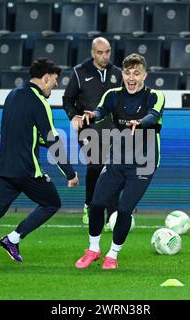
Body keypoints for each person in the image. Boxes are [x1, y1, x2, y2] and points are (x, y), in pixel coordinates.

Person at [0, 59, 79, 266]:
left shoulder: (12, 95)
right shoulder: (40, 102)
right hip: (25, 170)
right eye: (55, 80)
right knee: (51, 203)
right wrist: (69, 172)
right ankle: (12, 239)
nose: (56, 85)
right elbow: (51, 139)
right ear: (46, 77)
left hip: (4, 167)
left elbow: (25, 132)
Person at [73, 53, 164, 269]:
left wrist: (140, 123)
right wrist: (90, 116)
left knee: (124, 211)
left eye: (136, 73)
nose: (131, 78)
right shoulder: (113, 95)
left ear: (144, 75)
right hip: (116, 160)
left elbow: (153, 115)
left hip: (144, 164)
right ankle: (93, 249)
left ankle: (112, 255)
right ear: (122, 74)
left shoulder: (155, 96)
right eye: (127, 73)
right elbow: (100, 111)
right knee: (96, 204)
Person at [63, 37, 122, 226]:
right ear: (92, 53)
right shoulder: (80, 72)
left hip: (113, 130)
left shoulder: (117, 73)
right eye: (100, 52)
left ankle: (112, 216)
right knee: (96, 165)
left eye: (107, 52)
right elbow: (67, 99)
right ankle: (89, 206)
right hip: (88, 129)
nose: (104, 56)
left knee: (112, 169)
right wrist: (73, 116)